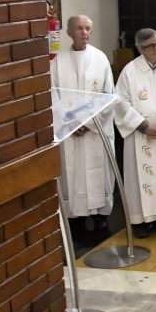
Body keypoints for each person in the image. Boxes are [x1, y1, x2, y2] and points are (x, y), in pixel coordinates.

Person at [114, 29, 156, 238]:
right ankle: (140, 221)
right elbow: (120, 102)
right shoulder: (130, 71)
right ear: (141, 49)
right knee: (141, 177)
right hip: (140, 136)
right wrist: (142, 126)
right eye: (151, 45)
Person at [52, 15, 115, 232]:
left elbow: (109, 95)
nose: (84, 32)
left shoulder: (100, 59)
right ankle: (75, 219)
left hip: (94, 131)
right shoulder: (57, 61)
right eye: (79, 28)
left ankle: (100, 216)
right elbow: (53, 96)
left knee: (97, 171)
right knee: (73, 172)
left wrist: (88, 123)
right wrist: (70, 124)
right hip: (70, 131)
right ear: (69, 32)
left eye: (88, 28)